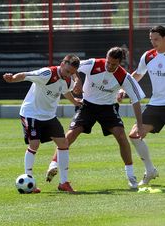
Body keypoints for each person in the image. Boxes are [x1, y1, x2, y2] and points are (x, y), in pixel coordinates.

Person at [46, 47, 146, 189]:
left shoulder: (124, 76)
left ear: (120, 63)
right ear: (106, 57)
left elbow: (136, 100)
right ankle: (53, 165)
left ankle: (131, 176)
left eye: (114, 64)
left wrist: (140, 126)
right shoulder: (93, 64)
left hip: (108, 108)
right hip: (87, 106)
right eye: (108, 62)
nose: (109, 66)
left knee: (121, 136)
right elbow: (74, 67)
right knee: (72, 133)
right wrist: (77, 80)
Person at [3, 54, 82, 193]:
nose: (68, 74)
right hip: (31, 113)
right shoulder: (46, 73)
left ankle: (63, 183)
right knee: (34, 144)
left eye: (72, 73)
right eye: (67, 71)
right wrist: (12, 78)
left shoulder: (68, 81)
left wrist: (75, 101)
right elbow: (25, 75)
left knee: (63, 144)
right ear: (62, 64)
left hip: (49, 116)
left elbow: (65, 91)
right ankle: (30, 182)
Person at [126, 25, 165, 186]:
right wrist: (125, 89)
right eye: (151, 39)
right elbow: (138, 74)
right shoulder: (148, 56)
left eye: (156, 39)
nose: (153, 42)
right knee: (135, 135)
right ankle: (150, 170)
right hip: (156, 104)